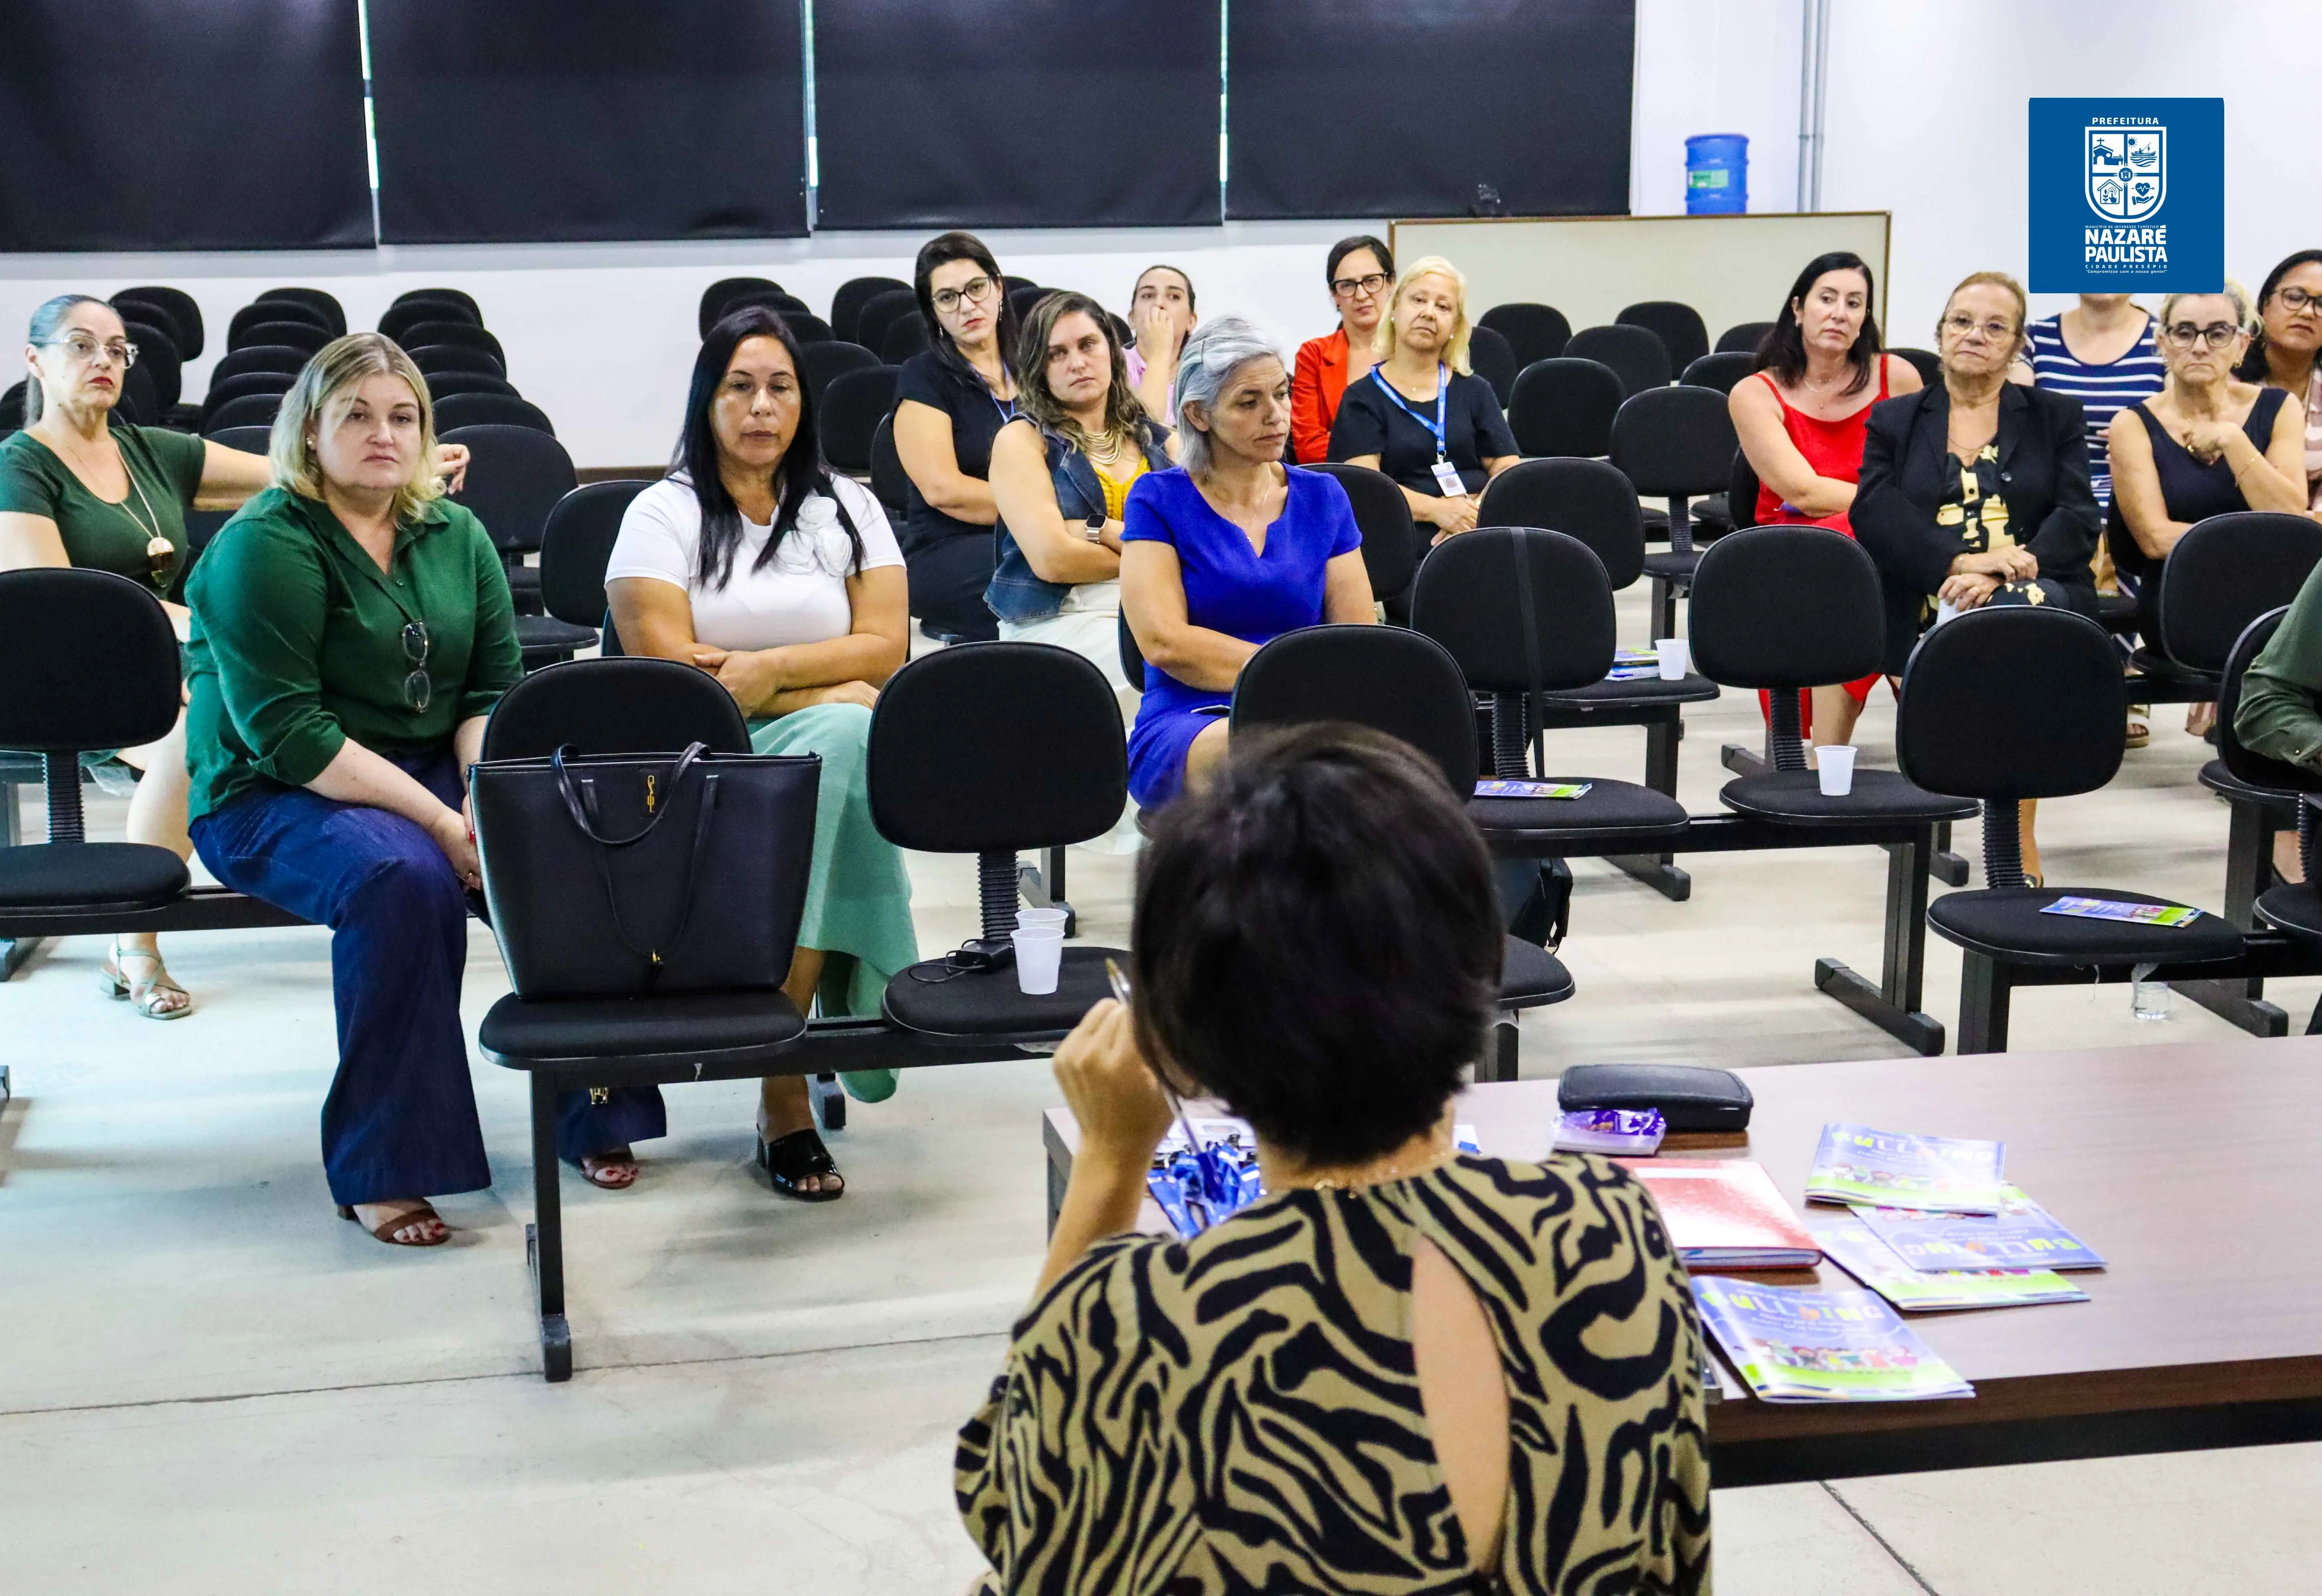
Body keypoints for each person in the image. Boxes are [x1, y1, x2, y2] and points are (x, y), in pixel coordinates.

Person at [955, 725, 1713, 1595]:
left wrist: (1109, 1158)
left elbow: (1015, 1506)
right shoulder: (1604, 1229)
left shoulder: (1132, 1318)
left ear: (1176, 1038)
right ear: (1484, 965)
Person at [0, 295, 466, 1021]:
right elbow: (52, 599)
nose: (103, 362)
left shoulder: (151, 449)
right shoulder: (21, 464)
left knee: (226, 692)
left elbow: (297, 470)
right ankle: (136, 945)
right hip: (80, 663)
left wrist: (409, 462)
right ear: (35, 359)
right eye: (81, 346)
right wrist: (199, 628)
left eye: (118, 349)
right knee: (204, 726)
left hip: (179, 646)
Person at [184, 334, 517, 1248]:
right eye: (357, 415)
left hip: (428, 768)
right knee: (401, 880)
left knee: (551, 841)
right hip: (271, 791)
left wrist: (485, 804)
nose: (384, 433)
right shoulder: (266, 544)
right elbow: (292, 736)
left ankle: (595, 1107)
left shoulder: (456, 532)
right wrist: (448, 824)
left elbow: (489, 691)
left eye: (402, 415)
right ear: (310, 429)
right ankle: (385, 1165)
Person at [604, 306, 917, 1202]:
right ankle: (785, 1083)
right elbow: (671, 670)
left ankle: (779, 1062)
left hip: (816, 749)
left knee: (846, 741)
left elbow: (885, 647)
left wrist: (771, 670)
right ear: (707, 401)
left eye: (779, 386)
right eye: (739, 386)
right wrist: (827, 683)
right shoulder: (657, 513)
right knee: (848, 729)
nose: (760, 406)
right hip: (697, 756)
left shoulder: (848, 505)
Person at [1857, 272, 2100, 884]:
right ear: (1939, 333)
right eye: (1962, 321)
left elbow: (2078, 515)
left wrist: (2014, 564)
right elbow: (1875, 510)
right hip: (1928, 587)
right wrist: (1959, 565)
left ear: (2016, 344)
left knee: (2019, 613)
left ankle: (2014, 830)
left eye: (1995, 327)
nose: (1975, 335)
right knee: (1994, 619)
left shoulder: (2054, 417)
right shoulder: (1895, 419)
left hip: (2034, 585)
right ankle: (1992, 825)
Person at [1121, 319, 1375, 808]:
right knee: (1287, 758)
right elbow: (1165, 643)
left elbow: (1356, 638)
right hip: (1191, 717)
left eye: (1282, 394)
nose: (1276, 415)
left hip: (1312, 710)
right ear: (1198, 414)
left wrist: (1306, 690)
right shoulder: (1157, 497)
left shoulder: (1323, 496)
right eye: (1248, 402)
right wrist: (1290, 678)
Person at [1730, 250, 1924, 749]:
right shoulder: (1755, 392)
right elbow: (1803, 490)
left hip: (1883, 545)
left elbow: (1925, 477)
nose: (1840, 312)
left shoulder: (1897, 378)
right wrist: (1887, 512)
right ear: (1798, 309)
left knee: (1881, 558)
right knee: (1862, 555)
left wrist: (1890, 519)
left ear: (1865, 319)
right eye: (1827, 298)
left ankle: (1837, 752)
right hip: (1794, 549)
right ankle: (1917, 701)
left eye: (1854, 303)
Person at [2108, 283, 2309, 740]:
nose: (2199, 346)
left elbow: (2289, 515)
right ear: (2163, 343)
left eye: (2217, 332)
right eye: (2184, 332)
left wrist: (2233, 441)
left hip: (2270, 594)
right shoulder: (2132, 424)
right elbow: (2154, 539)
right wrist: (2255, 539)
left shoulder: (2278, 408)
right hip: (2181, 601)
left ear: (2241, 344)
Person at [987, 290, 1173, 703]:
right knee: (1176, 672)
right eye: (1056, 354)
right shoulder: (1022, 440)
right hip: (1059, 618)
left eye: (1087, 345)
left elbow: (1204, 545)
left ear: (1112, 349)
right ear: (1038, 368)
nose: (1076, 362)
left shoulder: (1163, 442)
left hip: (1158, 607)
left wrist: (1097, 530)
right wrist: (1158, 556)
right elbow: (1053, 560)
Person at [1328, 255, 1519, 541]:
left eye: (1443, 307)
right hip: (1400, 537)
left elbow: (1507, 469)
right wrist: (1439, 511)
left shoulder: (1476, 390)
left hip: (1478, 531)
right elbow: (1367, 486)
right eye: (1418, 300)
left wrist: (1472, 513)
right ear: (1394, 309)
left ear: (1455, 326)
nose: (1429, 313)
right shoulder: (1362, 399)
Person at [892, 231, 1021, 643]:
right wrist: (1043, 514)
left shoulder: (1035, 367)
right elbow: (943, 490)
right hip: (951, 547)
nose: (967, 306)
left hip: (1038, 531)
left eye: (976, 288)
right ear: (934, 312)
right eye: (948, 298)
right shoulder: (923, 376)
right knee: (1045, 572)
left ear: (998, 288)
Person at [2013, 294, 2164, 512]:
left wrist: (2142, 444)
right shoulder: (2034, 339)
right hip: (2050, 498)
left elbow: (2185, 422)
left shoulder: (2168, 341)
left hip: (2139, 497)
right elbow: (2013, 428)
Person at [1290, 234, 1393, 465]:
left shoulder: (1418, 349)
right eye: (1347, 286)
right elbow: (1308, 448)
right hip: (1343, 484)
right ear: (1335, 295)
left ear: (1391, 283)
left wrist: (1345, 442)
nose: (1361, 295)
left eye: (1371, 281)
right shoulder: (1313, 355)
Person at [2238, 249, 2322, 512]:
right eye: (2295, 298)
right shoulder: (2224, 377)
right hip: (2228, 527)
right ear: (2265, 304)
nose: (2308, 312)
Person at [1123, 264, 1195, 426]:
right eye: (1148, 296)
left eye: (1174, 297)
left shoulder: (1203, 373)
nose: (1159, 304)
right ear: (1132, 318)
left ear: (1191, 321)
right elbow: (1148, 434)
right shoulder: (1114, 365)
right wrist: (1160, 352)